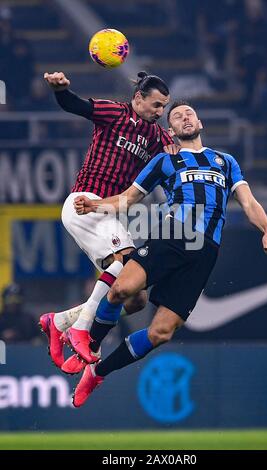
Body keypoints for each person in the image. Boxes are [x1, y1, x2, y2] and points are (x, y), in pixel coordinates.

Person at [71, 101, 267, 407]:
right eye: (177, 116)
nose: (185, 117)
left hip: (206, 251)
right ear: (170, 131)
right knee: (122, 289)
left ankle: (97, 372)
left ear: (200, 123)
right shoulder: (164, 160)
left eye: (190, 113)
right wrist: (94, 205)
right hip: (173, 234)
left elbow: (248, 202)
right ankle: (91, 346)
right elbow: (129, 199)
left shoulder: (225, 161)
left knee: (161, 332)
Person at [39, 70, 176, 371]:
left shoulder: (158, 137)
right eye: (156, 105)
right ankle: (81, 329)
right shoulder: (116, 113)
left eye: (165, 107)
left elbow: (176, 157)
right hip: (85, 202)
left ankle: (60, 321)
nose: (160, 112)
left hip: (109, 214)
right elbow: (76, 106)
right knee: (126, 262)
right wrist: (60, 90)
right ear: (138, 98)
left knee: (135, 296)